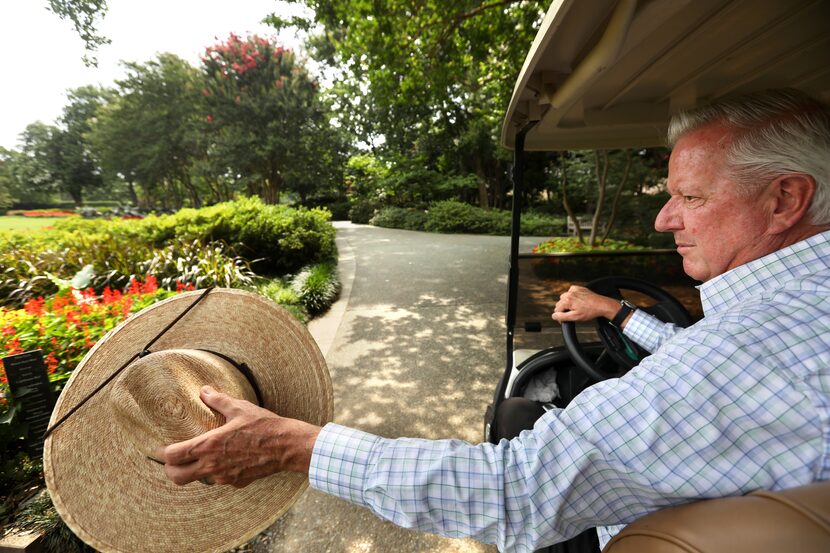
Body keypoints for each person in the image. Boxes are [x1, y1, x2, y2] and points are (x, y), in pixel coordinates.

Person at [158, 89, 830, 552]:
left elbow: (519, 490)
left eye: (690, 196)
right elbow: (704, 356)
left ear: (785, 198)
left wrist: (295, 447)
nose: (664, 218)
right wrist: (618, 311)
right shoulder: (792, 314)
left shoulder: (756, 344)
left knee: (516, 419)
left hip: (617, 532)